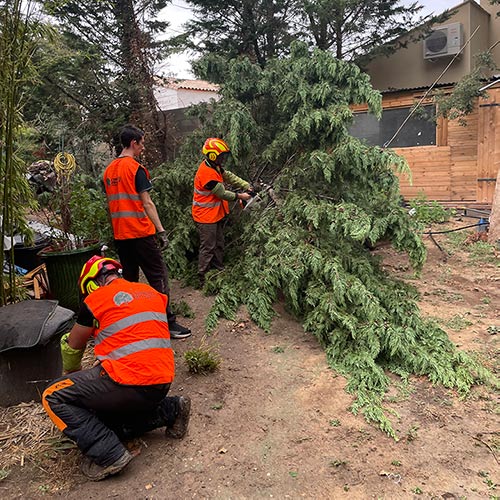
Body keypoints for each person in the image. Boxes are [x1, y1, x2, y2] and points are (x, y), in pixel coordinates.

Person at [42, 255, 191, 481]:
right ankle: (171, 409)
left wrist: (72, 374)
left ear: (91, 284)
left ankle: (108, 454)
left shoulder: (95, 300)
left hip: (130, 384)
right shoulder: (149, 292)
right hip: (161, 382)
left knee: (53, 395)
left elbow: (73, 346)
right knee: (109, 418)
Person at [103, 124, 191, 339]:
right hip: (141, 234)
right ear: (134, 143)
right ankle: (167, 324)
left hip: (121, 236)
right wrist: (161, 231)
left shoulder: (109, 171)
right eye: (142, 143)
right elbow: (147, 203)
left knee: (130, 281)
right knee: (158, 277)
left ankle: (135, 323)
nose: (143, 147)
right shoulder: (135, 169)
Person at [192, 138, 252, 284]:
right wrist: (241, 195)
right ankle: (203, 277)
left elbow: (228, 176)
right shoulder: (207, 173)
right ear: (213, 155)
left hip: (215, 214)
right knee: (208, 246)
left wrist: (246, 185)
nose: (223, 158)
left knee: (219, 242)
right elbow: (222, 193)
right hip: (205, 217)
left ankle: (218, 269)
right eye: (221, 156)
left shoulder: (214, 166)